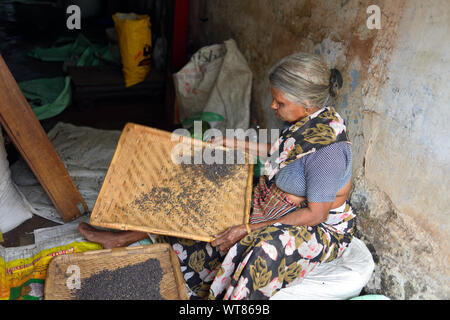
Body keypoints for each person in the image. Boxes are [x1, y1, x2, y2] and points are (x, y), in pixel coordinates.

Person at [78, 52, 355, 300]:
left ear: (306, 103)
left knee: (261, 250)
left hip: (316, 227)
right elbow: (280, 150)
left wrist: (249, 229)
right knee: (199, 198)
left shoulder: (328, 151)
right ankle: (122, 237)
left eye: (280, 102)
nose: (273, 106)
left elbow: (316, 214)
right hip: (274, 203)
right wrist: (231, 142)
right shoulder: (307, 124)